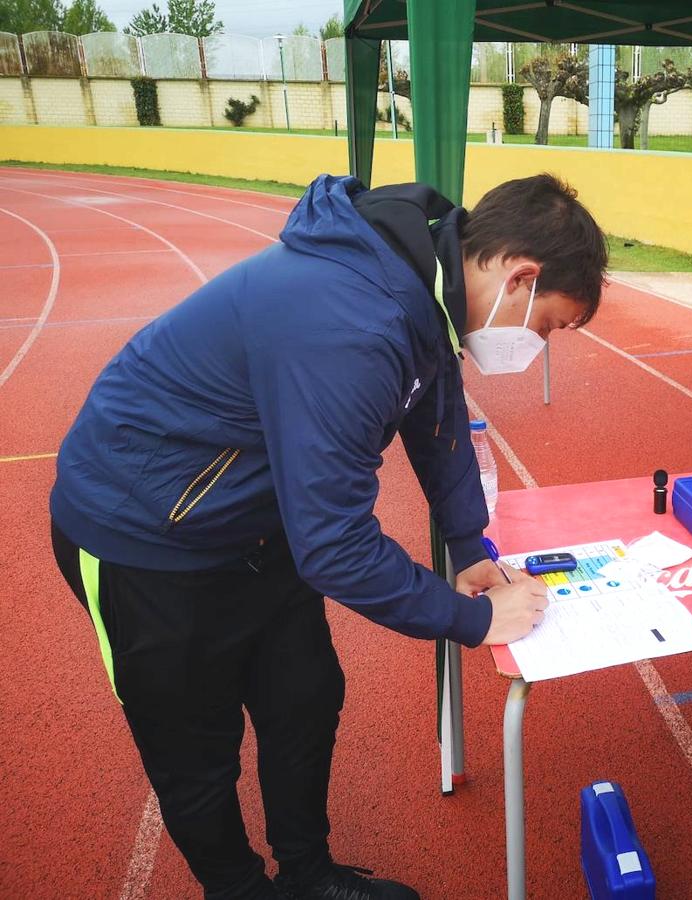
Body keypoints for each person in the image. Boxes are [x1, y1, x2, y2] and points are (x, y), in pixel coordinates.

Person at [49, 172, 608, 899]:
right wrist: (469, 619)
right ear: (519, 276)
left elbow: (435, 420)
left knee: (303, 698)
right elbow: (335, 545)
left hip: (255, 523)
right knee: (195, 750)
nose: (536, 343)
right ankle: (239, 890)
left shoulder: (419, 293)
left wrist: (469, 545)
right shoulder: (351, 319)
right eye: (546, 325)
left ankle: (309, 875)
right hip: (144, 536)